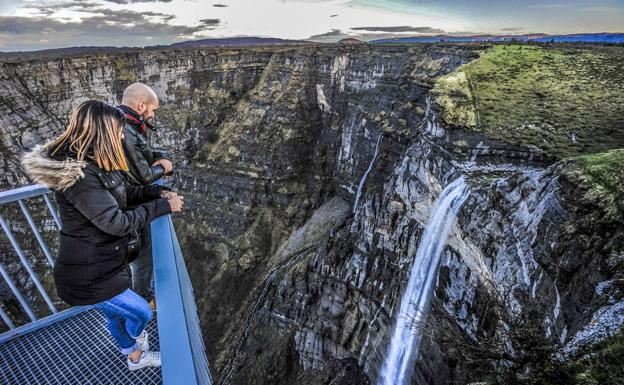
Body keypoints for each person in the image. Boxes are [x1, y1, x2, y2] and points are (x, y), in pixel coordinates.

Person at [21, 100, 185, 370]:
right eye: (119, 131)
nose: (122, 136)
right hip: (88, 275)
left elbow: (124, 195)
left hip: (106, 262)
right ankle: (136, 344)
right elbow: (115, 221)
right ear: (104, 132)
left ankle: (134, 358)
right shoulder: (80, 177)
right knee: (141, 312)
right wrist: (162, 207)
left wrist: (157, 192)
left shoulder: (97, 164)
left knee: (117, 317)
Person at [117, 83, 173, 308]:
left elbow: (142, 155)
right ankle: (144, 299)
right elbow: (145, 176)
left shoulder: (123, 121)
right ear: (141, 105)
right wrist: (165, 167)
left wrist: (159, 155)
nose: (153, 115)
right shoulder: (127, 130)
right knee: (143, 254)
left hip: (124, 197)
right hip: (131, 202)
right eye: (152, 110)